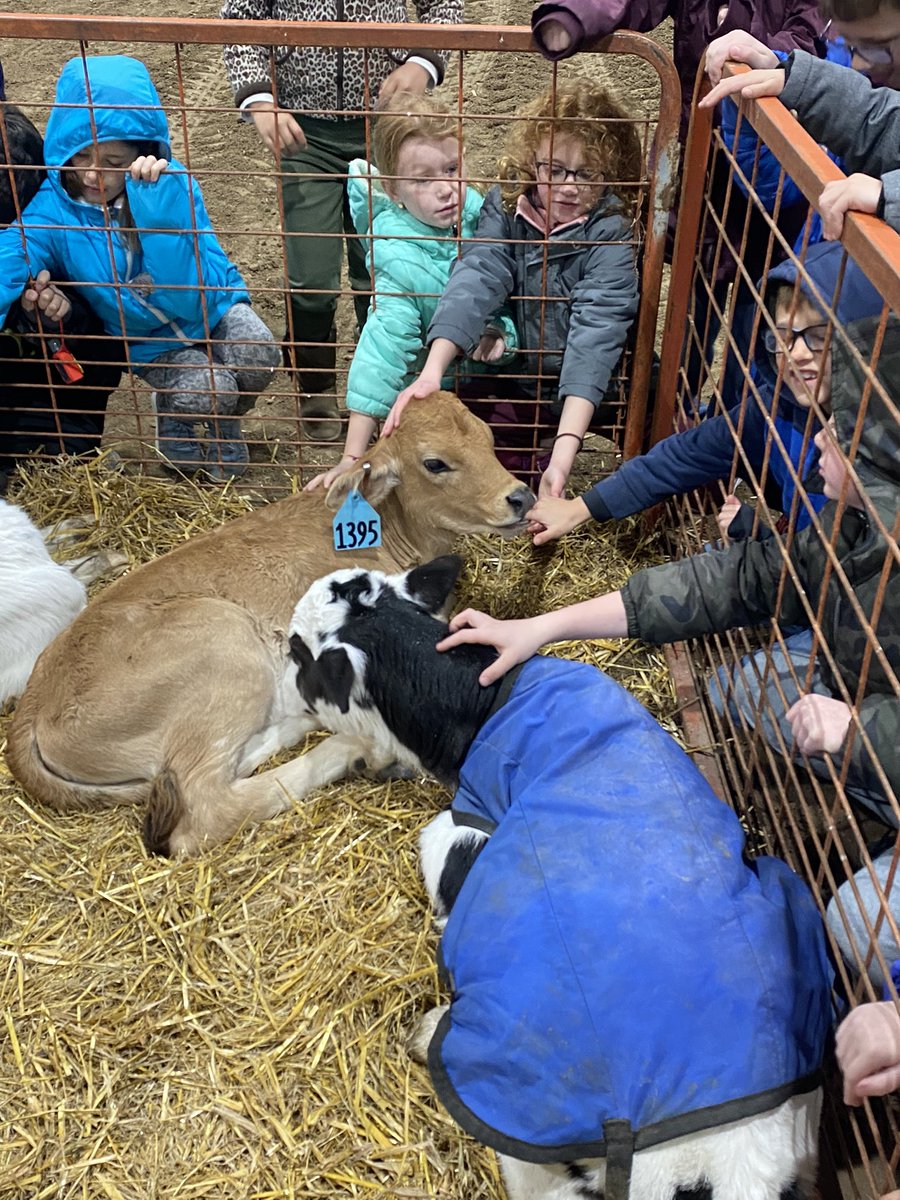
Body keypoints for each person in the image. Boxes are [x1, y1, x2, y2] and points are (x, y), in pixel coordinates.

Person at [438, 310, 900, 986]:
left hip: (878, 724)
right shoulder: (849, 523)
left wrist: (860, 730)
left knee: (856, 924)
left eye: (845, 432)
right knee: (739, 690)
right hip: (864, 689)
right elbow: (731, 581)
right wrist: (541, 626)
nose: (823, 435)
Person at [0, 55, 280, 484]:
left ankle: (223, 420)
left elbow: (187, 297)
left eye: (114, 163)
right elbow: (12, 254)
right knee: (211, 388)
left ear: (142, 153)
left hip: (210, 302)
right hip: (147, 339)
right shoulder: (52, 210)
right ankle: (180, 417)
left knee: (259, 356)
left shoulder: (171, 185)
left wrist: (156, 207)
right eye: (82, 156)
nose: (94, 175)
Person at [524, 241, 883, 545]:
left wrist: (761, 543)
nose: (796, 353)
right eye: (782, 336)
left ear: (866, 337)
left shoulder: (883, 444)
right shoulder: (777, 406)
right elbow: (685, 454)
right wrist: (580, 508)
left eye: (819, 337)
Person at [386, 80, 642, 497]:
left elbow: (598, 331)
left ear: (610, 171)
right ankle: (534, 459)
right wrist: (432, 372)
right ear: (532, 162)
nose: (568, 186)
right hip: (518, 376)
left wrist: (565, 452)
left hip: (605, 384)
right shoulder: (506, 204)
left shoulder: (611, 229)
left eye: (586, 173)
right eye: (554, 170)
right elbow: (479, 274)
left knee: (665, 441)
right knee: (479, 463)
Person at [221, 0, 462, 443]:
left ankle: (386, 385)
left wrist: (422, 61)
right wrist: (259, 100)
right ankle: (314, 382)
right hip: (303, 134)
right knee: (311, 278)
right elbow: (239, 16)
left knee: (381, 270)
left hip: (386, 128)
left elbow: (444, 5)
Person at [304, 92, 517, 492]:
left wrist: (502, 332)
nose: (446, 189)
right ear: (392, 189)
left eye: (451, 168)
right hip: (433, 397)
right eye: (422, 180)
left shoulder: (483, 217)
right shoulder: (398, 256)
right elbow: (383, 348)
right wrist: (353, 457)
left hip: (491, 383)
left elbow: (510, 297)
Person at [0, 102, 123, 493]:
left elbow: (106, 365)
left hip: (50, 412)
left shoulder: (69, 239)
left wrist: (61, 319)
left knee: (60, 469)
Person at [702, 0, 900, 240]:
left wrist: (889, 197)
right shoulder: (848, 55)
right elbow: (776, 186)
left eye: (876, 47)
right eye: (853, 46)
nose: (859, 64)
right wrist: (781, 75)